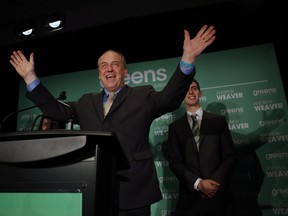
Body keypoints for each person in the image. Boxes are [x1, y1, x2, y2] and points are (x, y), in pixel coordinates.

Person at [9, 25, 216, 216]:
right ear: (99, 75)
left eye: (115, 64)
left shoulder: (143, 95)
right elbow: (56, 109)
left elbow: (170, 98)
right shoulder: (85, 102)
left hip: (135, 190)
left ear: (125, 71)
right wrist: (30, 78)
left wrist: (187, 59)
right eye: (104, 66)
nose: (109, 69)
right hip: (95, 187)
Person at [163, 79, 237, 216]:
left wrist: (213, 184)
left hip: (218, 196)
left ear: (200, 93)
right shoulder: (175, 127)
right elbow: (175, 162)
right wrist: (199, 183)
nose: (191, 91)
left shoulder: (218, 121)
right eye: (186, 89)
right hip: (190, 199)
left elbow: (230, 157)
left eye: (194, 88)